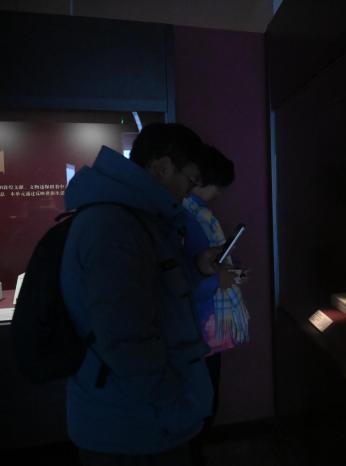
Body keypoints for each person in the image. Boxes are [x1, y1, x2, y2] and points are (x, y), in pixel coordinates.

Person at [60, 123, 220, 465]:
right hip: (132, 429)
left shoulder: (134, 218)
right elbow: (125, 337)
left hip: (136, 419)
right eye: (189, 180)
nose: (189, 192)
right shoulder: (114, 225)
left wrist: (196, 269)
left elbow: (154, 295)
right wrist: (171, 402)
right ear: (162, 167)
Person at [182, 145, 249, 431]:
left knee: (205, 403)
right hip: (200, 325)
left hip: (204, 324)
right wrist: (217, 278)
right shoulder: (189, 216)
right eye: (218, 187)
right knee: (202, 406)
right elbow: (187, 278)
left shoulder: (196, 214)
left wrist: (224, 272)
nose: (219, 193)